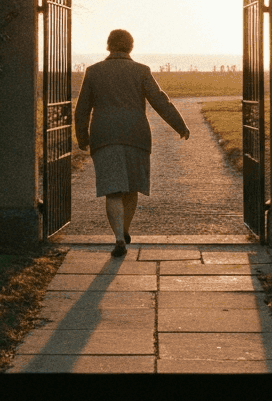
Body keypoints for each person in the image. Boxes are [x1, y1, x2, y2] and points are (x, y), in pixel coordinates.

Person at [74, 29, 190, 257]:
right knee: (132, 188)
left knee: (112, 190)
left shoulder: (93, 72)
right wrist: (180, 125)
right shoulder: (142, 71)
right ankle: (125, 229)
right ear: (131, 47)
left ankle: (118, 236)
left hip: (104, 137)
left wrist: (82, 137)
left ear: (108, 46)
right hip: (136, 136)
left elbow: (82, 108)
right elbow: (160, 100)